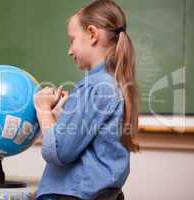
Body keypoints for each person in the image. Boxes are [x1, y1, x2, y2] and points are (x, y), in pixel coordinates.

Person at [33, 0, 139, 199]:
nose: (69, 50)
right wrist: (60, 117)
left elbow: (59, 152)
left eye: (72, 40)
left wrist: (44, 111)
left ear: (92, 34)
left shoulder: (95, 86)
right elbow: (87, 141)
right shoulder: (111, 83)